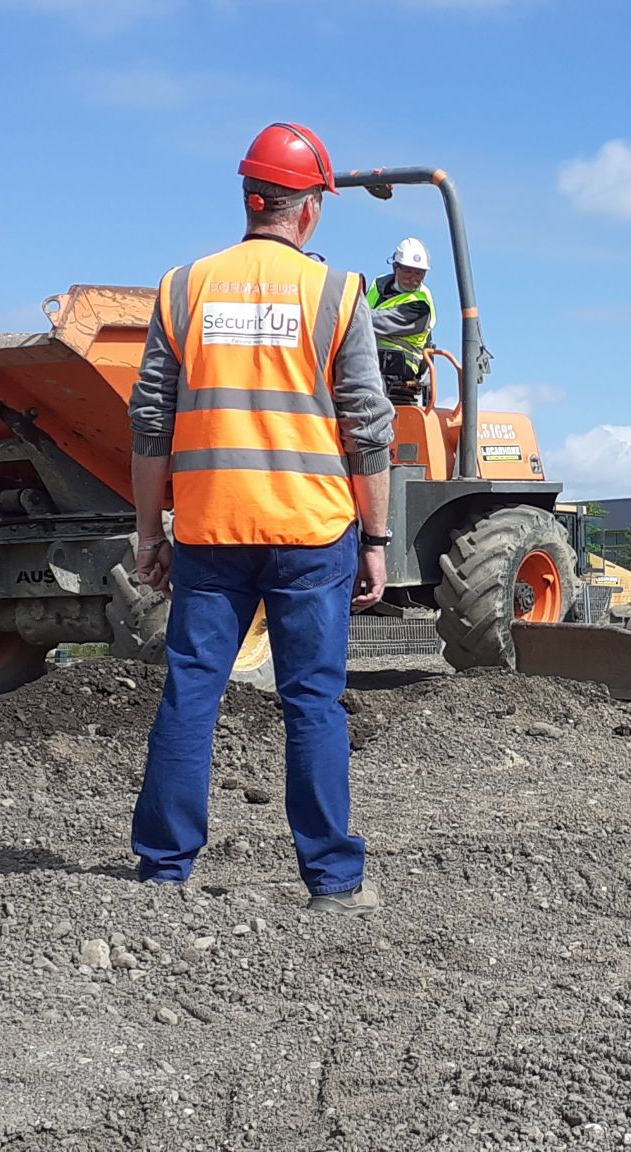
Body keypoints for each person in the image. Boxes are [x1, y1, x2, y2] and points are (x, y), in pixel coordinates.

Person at [125, 121, 396, 918]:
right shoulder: (337, 294)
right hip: (312, 533)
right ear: (307, 208)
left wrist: (150, 531)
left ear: (250, 198)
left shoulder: (184, 288)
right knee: (312, 700)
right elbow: (368, 427)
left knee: (192, 692)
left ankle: (164, 870)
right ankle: (333, 884)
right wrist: (376, 539)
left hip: (210, 530)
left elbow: (150, 419)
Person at [367, 237, 436, 403]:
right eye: (408, 271)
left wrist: (349, 315)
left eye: (419, 273)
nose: (413, 278)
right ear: (395, 266)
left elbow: (380, 322)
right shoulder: (378, 285)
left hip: (401, 365)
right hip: (369, 356)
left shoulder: (421, 305)